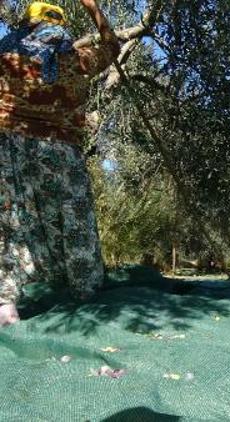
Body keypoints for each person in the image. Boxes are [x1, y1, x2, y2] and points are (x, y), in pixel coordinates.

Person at [0, 0, 120, 327]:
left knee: (10, 222)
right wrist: (93, 8)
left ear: (28, 23)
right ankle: (85, 293)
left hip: (9, 145)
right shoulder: (75, 60)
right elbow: (112, 45)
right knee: (74, 218)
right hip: (62, 150)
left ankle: (5, 304)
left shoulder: (6, 53)